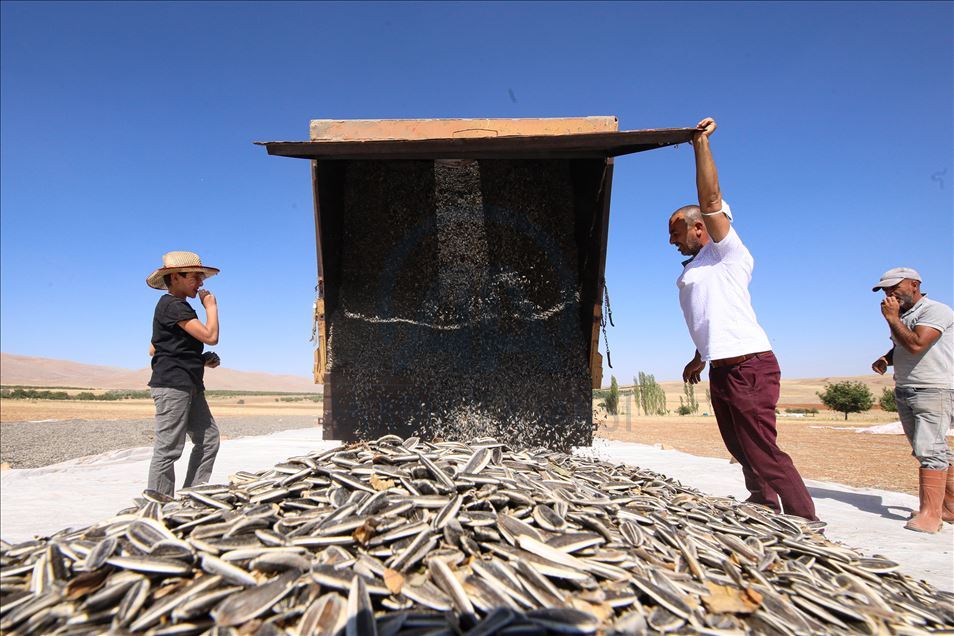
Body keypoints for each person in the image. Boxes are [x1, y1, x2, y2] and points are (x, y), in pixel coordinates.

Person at [668, 117, 817, 521]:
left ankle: (806, 520)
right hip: (722, 368)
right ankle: (763, 501)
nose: (671, 240)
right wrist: (699, 357)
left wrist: (700, 145)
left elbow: (711, 197)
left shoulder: (727, 252)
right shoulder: (699, 266)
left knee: (762, 449)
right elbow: (709, 316)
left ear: (701, 228)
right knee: (738, 445)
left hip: (750, 367)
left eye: (676, 232)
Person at [871, 268, 954, 533]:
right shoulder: (905, 315)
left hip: (933, 389)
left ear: (914, 284)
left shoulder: (935, 311)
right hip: (906, 388)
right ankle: (949, 507)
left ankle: (931, 515)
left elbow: (917, 344)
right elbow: (903, 344)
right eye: (885, 289)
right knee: (925, 449)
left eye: (894, 287)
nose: (889, 293)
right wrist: (887, 358)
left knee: (930, 449)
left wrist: (892, 319)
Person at [145, 251, 222, 497]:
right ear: (175, 277)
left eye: (201, 278)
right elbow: (211, 336)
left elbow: (155, 348)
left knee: (208, 440)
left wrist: (199, 360)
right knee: (168, 449)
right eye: (194, 277)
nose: (200, 283)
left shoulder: (175, 308)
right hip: (173, 385)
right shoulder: (172, 305)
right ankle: (157, 505)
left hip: (189, 384)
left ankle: (191, 497)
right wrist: (211, 307)